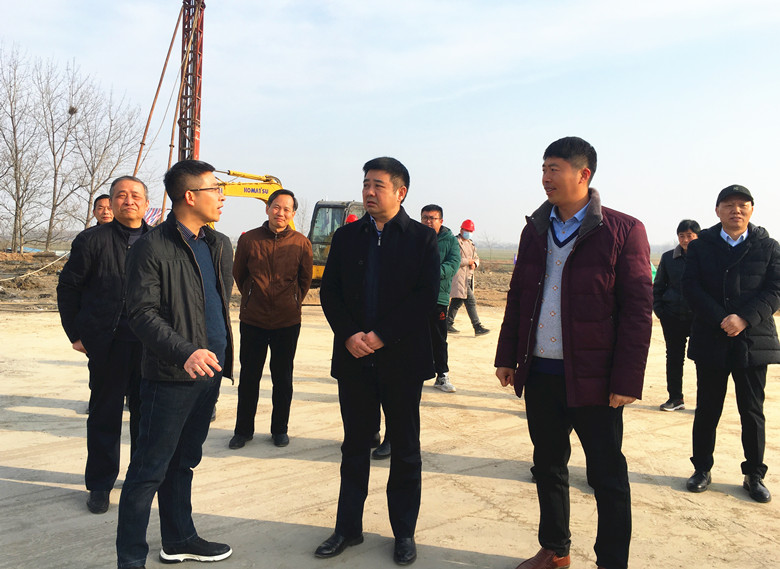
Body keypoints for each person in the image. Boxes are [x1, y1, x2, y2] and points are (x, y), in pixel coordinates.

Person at [494, 137, 652, 569]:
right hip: (541, 372)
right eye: (543, 169)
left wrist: (626, 379)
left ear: (583, 174)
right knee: (547, 466)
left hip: (595, 379)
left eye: (555, 169)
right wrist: (507, 355)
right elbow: (518, 296)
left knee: (607, 476)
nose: (546, 178)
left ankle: (612, 562)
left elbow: (638, 311)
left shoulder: (623, 230)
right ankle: (555, 550)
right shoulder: (535, 228)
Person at [315, 157, 439, 566]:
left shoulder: (422, 238)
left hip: (401, 361)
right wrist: (349, 334)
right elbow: (330, 292)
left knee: (405, 449)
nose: (369, 191)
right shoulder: (347, 236)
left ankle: (403, 532)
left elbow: (425, 296)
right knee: (354, 447)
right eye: (366, 183)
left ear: (401, 192)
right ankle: (347, 528)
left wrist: (382, 335)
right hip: (354, 359)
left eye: (378, 185)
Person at [116, 160, 234, 568]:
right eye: (214, 189)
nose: (221, 196)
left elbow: (216, 304)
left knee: (184, 462)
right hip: (170, 376)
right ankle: (131, 559)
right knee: (148, 470)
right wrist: (186, 352)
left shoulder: (219, 244)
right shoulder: (152, 247)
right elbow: (142, 314)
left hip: (210, 373)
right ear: (190, 196)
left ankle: (179, 539)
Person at [57, 176, 150, 515]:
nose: (129, 200)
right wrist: (76, 334)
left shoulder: (159, 240)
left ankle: (141, 480)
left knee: (146, 417)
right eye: (121, 195)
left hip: (149, 345)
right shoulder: (92, 240)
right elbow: (68, 287)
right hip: (107, 344)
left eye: (135, 195)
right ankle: (100, 484)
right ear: (111, 202)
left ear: (146, 203)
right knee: (104, 416)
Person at [682, 185, 780, 504]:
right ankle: (702, 469)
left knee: (752, 411)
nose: (735, 210)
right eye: (728, 205)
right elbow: (691, 288)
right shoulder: (701, 246)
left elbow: (775, 290)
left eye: (742, 205)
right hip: (712, 338)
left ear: (751, 209)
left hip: (753, 340)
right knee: (707, 409)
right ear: (717, 211)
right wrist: (722, 319)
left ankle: (754, 475)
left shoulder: (768, 247)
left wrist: (744, 319)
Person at [228, 189, 313, 450]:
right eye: (276, 207)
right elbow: (239, 274)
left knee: (282, 378)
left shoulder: (301, 243)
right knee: (249, 377)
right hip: (253, 319)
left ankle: (280, 429)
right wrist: (252, 296)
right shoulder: (249, 240)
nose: (281, 213)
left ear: (293, 214)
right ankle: (243, 430)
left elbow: (305, 280)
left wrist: (292, 301)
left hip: (287, 322)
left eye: (287, 209)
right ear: (267, 208)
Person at [653, 219, 700, 411]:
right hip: (672, 316)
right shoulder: (668, 258)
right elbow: (658, 286)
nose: (685, 240)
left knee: (703, 360)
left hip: (699, 318)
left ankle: (704, 403)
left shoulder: (705, 257)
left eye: (690, 235)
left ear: (698, 236)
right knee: (673, 358)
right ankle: (675, 398)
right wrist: (660, 310)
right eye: (682, 236)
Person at [421, 204, 461, 392]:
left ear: (441, 221)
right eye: (425, 218)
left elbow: (453, 264)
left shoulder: (450, 241)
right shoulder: (414, 237)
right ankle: (413, 373)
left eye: (432, 218)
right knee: (412, 336)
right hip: (414, 297)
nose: (428, 222)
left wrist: (430, 272)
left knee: (438, 337)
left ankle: (442, 375)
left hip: (438, 297)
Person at [447, 219, 490, 336]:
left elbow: (476, 258)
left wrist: (475, 263)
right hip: (460, 277)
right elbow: (454, 260)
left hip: (469, 277)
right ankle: (477, 326)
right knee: (471, 301)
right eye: (467, 230)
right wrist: (468, 261)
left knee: (457, 300)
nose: (468, 233)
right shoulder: (455, 242)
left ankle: (448, 323)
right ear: (461, 230)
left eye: (470, 231)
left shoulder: (471, 244)